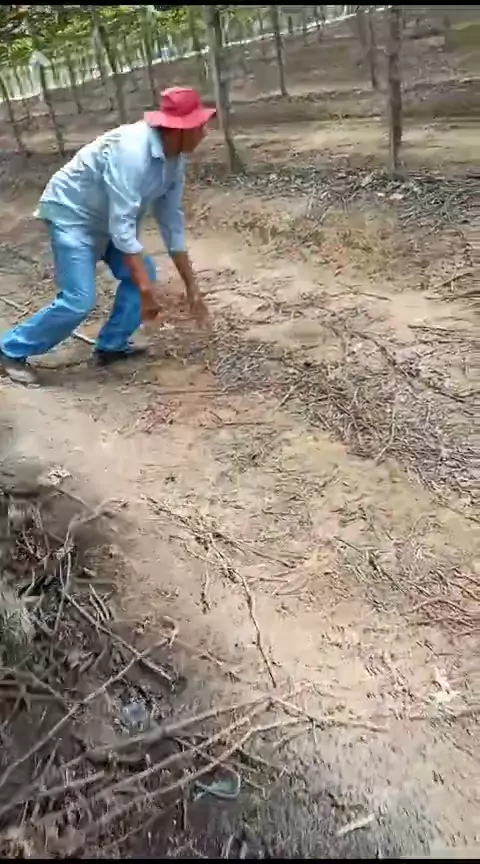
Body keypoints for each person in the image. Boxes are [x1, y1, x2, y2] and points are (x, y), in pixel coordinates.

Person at [0, 86, 214, 385]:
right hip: (73, 216)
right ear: (179, 129)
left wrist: (192, 286)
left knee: (143, 275)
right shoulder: (132, 152)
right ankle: (10, 350)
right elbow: (123, 226)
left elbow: (171, 221)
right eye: (199, 126)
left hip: (107, 221)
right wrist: (145, 292)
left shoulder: (173, 161)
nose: (205, 132)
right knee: (78, 300)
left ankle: (111, 345)